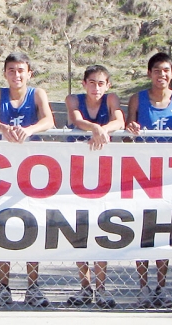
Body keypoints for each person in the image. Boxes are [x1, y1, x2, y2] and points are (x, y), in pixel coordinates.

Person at [0, 52, 55, 307]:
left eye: (21, 70)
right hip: (3, 169)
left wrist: (29, 130)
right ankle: (3, 287)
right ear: (5, 73)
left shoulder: (37, 94)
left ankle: (33, 286)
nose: (16, 75)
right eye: (11, 70)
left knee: (31, 226)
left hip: (31, 170)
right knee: (3, 225)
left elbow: (49, 120)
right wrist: (5, 128)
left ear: (29, 73)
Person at [125, 52, 172, 308]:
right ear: (149, 74)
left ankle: (161, 287)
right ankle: (143, 288)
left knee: (164, 232)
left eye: (166, 70)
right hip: (143, 174)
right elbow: (127, 138)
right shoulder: (137, 99)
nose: (162, 75)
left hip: (170, 176)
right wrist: (130, 132)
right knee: (143, 231)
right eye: (157, 70)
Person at [64, 65, 124, 308]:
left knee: (102, 226)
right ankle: (84, 286)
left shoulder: (111, 99)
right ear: (84, 83)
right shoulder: (73, 99)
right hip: (76, 171)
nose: (96, 87)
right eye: (92, 82)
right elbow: (77, 120)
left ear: (107, 85)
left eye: (101, 83)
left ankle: (102, 287)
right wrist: (96, 128)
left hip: (103, 172)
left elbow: (120, 120)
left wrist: (102, 129)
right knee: (80, 228)